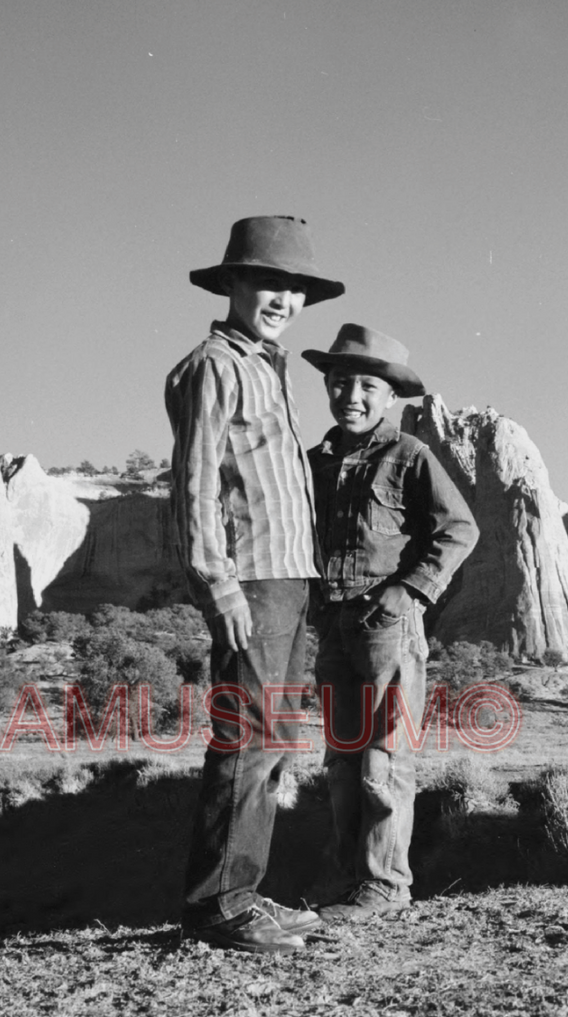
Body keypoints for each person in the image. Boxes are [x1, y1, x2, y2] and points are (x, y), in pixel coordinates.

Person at [165, 214, 343, 954]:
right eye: (268, 281)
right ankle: (221, 906)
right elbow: (196, 481)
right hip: (255, 579)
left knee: (270, 738)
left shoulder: (267, 365)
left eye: (294, 286)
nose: (282, 297)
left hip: (290, 577)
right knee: (247, 735)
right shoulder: (215, 364)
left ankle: (241, 893)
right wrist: (220, 585)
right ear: (233, 283)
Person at [303, 325, 479, 923]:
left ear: (389, 396)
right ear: (328, 385)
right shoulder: (314, 464)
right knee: (343, 758)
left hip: (388, 625)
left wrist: (408, 592)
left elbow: (459, 530)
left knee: (384, 757)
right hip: (334, 625)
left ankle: (385, 886)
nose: (352, 395)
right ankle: (352, 881)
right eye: (341, 381)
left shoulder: (410, 456)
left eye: (368, 386)